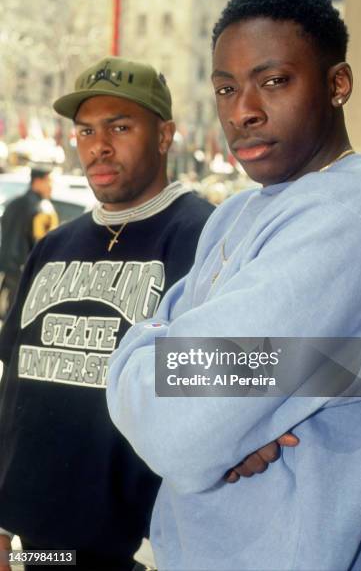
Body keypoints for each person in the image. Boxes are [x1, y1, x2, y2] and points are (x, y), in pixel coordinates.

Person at [107, 0, 361, 571]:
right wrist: (238, 406)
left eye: (274, 81)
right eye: (225, 87)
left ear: (337, 84)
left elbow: (177, 426)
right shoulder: (238, 213)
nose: (242, 110)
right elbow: (184, 394)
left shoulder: (355, 213)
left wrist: (176, 369)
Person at [0, 57, 216, 571]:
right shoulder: (53, 245)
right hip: (46, 547)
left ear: (164, 135)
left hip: (151, 545)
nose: (99, 145)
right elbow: (17, 385)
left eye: (120, 127)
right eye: (86, 130)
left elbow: (245, 375)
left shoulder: (206, 236)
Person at [0, 166, 58, 318]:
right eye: (50, 181)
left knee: (11, 314)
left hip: (9, 268)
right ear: (38, 182)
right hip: (30, 270)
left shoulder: (13, 204)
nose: (52, 186)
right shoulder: (43, 208)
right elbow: (45, 243)